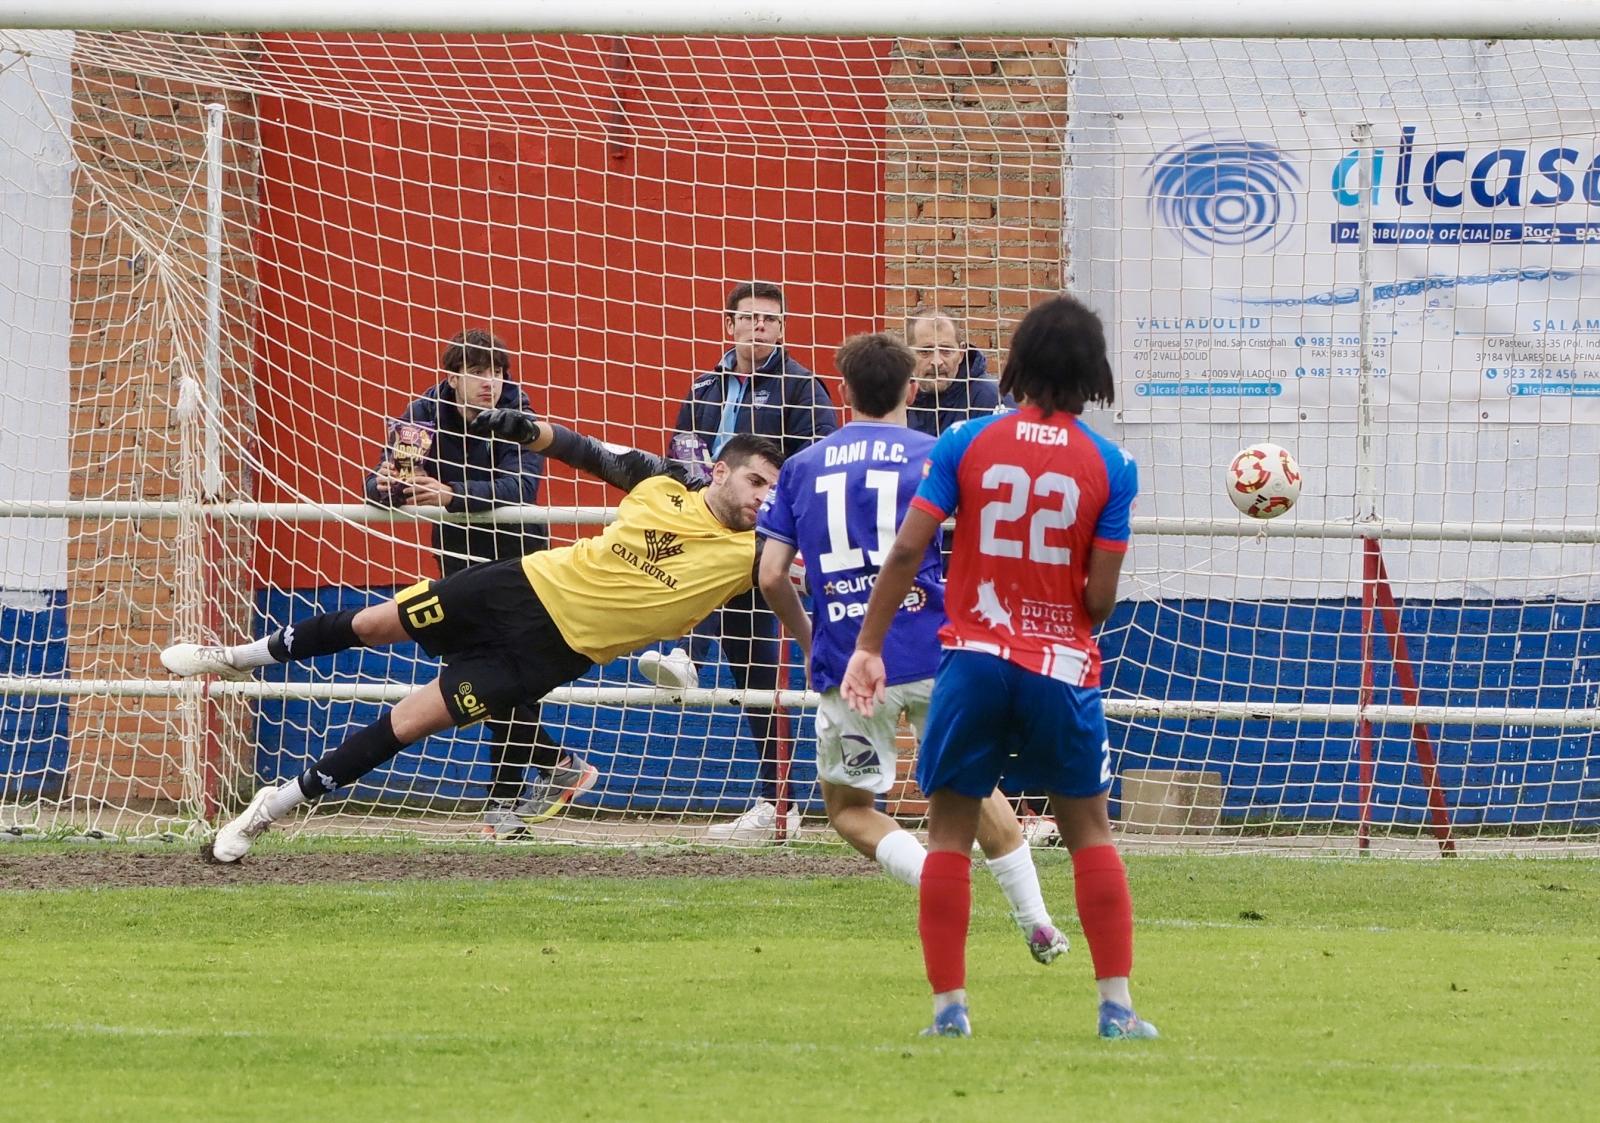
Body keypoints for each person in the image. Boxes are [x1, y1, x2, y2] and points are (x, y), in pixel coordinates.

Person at [161, 419, 783, 864]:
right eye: (756, 482)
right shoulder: (663, 484)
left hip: (546, 657)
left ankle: (267, 811)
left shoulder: (757, 553)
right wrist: (518, 428)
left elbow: (827, 560)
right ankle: (234, 659)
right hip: (516, 586)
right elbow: (584, 450)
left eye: (773, 491)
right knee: (372, 623)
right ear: (720, 471)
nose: (764, 499)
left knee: (406, 724)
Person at [841, 295, 1158, 1041]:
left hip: (974, 659)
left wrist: (869, 644)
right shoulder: (1112, 465)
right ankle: (1116, 1008)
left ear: (1015, 361)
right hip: (1060, 665)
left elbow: (910, 549)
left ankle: (950, 1013)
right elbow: (1101, 599)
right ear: (1092, 371)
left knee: (949, 833)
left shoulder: (963, 441)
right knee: (1090, 833)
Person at [757, 331, 1069, 967]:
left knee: (849, 808)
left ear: (842, 393)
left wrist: (814, 637)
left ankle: (934, 882)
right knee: (975, 788)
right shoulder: (937, 454)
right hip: (939, 652)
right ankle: (1037, 922)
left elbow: (769, 577)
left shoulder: (802, 466)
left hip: (850, 660)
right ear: (912, 388)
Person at [365, 327, 592, 838]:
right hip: (458, 558)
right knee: (476, 670)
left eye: (496, 371)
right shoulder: (423, 413)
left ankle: (505, 807)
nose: (490, 382)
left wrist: (450, 494)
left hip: (519, 557)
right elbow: (379, 482)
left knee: (510, 671)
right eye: (477, 372)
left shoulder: (519, 413)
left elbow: (522, 486)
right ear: (452, 378)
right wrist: (393, 487)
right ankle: (555, 768)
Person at [658, 281, 839, 842]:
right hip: (707, 526)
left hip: (770, 535)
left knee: (763, 672)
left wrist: (776, 501)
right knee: (753, 675)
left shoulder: (802, 387)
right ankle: (777, 806)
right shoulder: (706, 387)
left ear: (782, 330)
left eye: (770, 320)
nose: (759, 328)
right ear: (729, 326)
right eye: (749, 319)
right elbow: (679, 453)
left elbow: (820, 453)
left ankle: (688, 651)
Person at [902, 307, 1012, 439]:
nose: (937, 362)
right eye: (925, 351)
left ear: (961, 354)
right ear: (908, 354)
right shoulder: (895, 398)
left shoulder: (992, 400)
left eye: (946, 351)